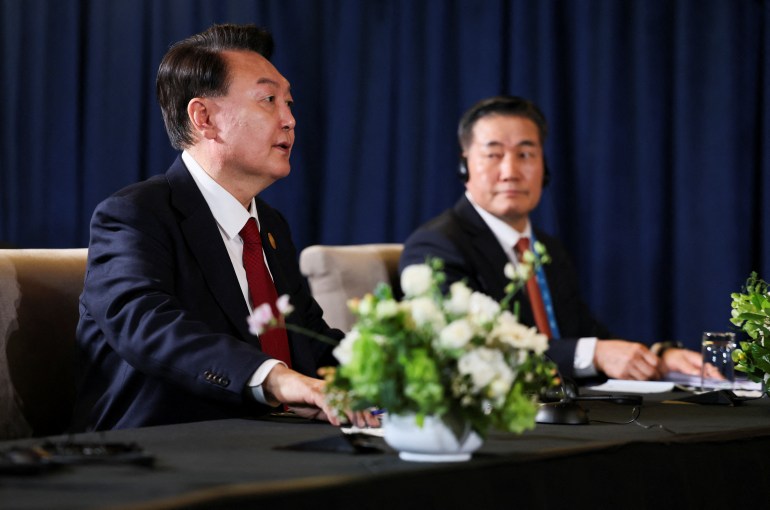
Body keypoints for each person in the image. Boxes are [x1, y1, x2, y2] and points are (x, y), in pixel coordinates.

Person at [71, 24, 376, 431]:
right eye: (269, 100)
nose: (290, 120)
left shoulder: (270, 226)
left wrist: (404, 373)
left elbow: (310, 339)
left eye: (289, 102)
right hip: (159, 448)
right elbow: (148, 325)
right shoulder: (134, 214)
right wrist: (276, 379)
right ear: (204, 118)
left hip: (271, 442)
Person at [399, 95, 703, 382]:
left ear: (544, 167)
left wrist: (657, 357)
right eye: (493, 154)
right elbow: (469, 350)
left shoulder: (546, 248)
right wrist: (593, 354)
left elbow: (589, 335)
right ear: (464, 164)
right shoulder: (436, 246)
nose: (510, 171)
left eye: (525, 154)